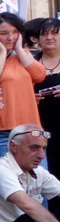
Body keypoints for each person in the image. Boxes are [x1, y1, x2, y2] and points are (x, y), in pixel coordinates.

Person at [0, 12, 46, 164]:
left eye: (15, 32)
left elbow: (40, 76)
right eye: (4, 33)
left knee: (38, 181)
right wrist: (1, 54)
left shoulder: (25, 54)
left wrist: (19, 50)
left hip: (30, 129)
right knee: (8, 181)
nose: (10, 38)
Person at [34, 18, 60, 211]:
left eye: (55, 33)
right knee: (45, 178)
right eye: (45, 33)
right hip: (39, 128)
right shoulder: (31, 62)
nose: (49, 37)